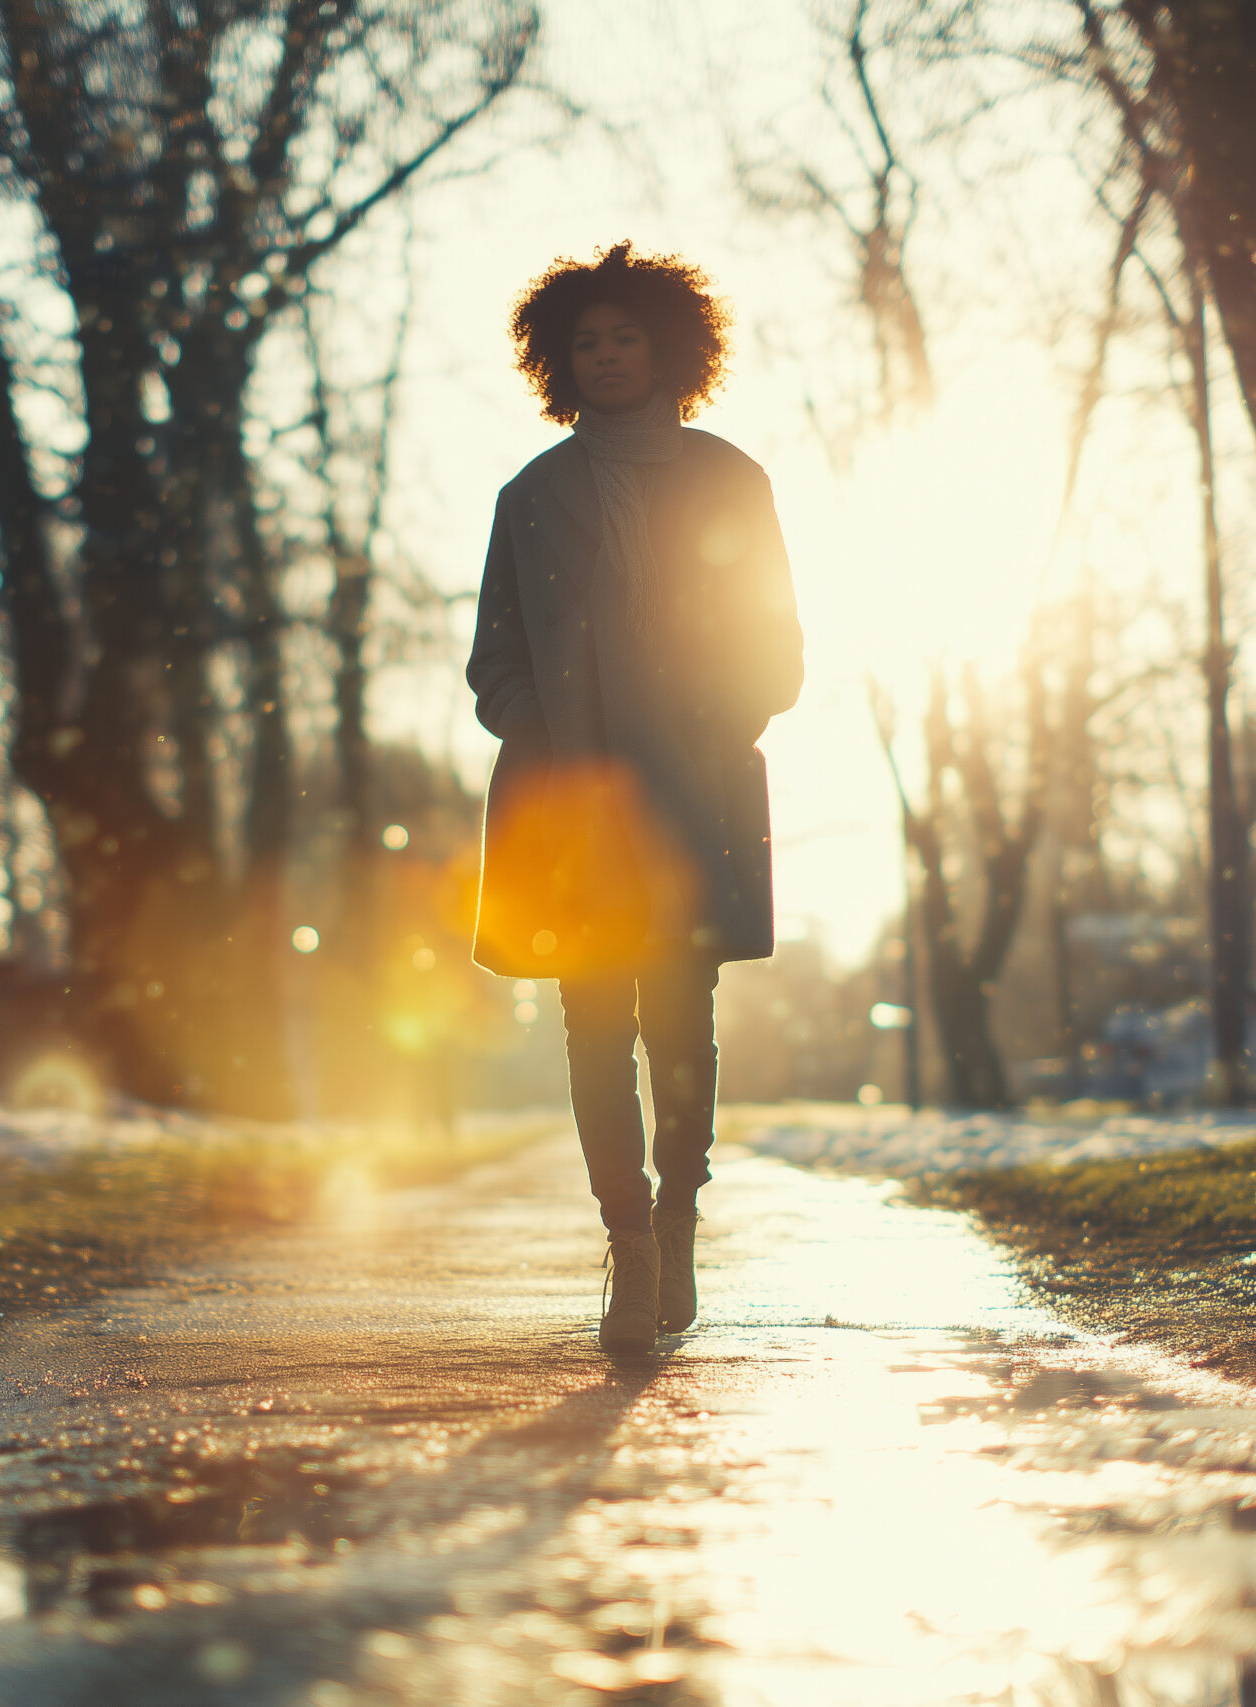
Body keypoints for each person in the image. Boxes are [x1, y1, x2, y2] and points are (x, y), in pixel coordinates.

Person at [466, 242, 804, 1354]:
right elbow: (492, 660)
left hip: (691, 788)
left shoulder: (730, 478)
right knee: (591, 1022)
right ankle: (629, 1243)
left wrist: (722, 722)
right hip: (570, 803)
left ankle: (678, 1212)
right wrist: (545, 727)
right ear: (558, 363)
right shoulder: (531, 495)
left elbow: (775, 643)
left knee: (678, 1018)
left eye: (623, 337)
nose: (605, 355)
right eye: (585, 343)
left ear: (667, 348)